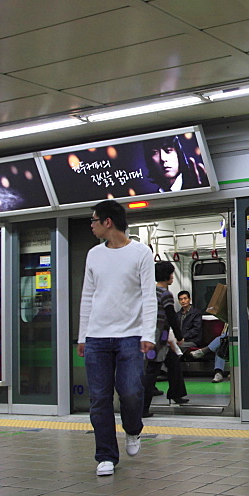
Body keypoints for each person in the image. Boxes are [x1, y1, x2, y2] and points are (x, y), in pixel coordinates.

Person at [77, 200, 157, 477]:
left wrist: (149, 334)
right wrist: (82, 335)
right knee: (99, 398)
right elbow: (88, 296)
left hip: (131, 337)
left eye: (94, 220)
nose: (92, 224)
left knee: (131, 392)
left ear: (108, 222)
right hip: (97, 338)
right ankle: (106, 455)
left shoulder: (141, 252)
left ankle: (133, 429)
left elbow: (149, 296)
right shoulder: (94, 254)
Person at [143, 262, 184, 418]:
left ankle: (176, 393)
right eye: (172, 274)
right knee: (152, 371)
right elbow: (171, 317)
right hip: (159, 337)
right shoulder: (165, 294)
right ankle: (143, 408)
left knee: (173, 361)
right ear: (167, 275)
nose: (173, 277)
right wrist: (179, 336)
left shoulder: (149, 292)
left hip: (151, 334)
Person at [143, 135, 207, 193]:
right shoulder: (155, 195)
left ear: (179, 153)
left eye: (168, 150)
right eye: (155, 152)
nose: (162, 158)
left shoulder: (195, 185)